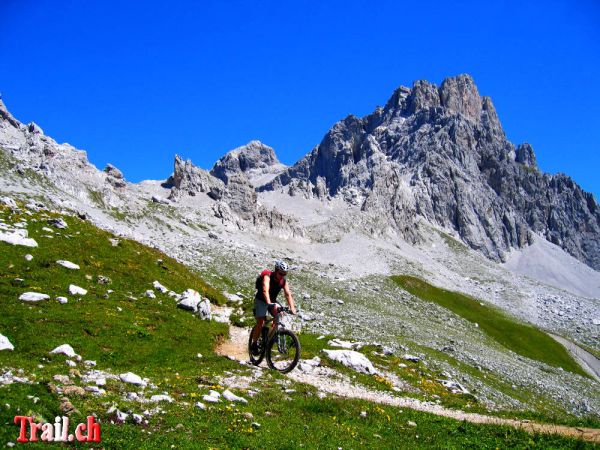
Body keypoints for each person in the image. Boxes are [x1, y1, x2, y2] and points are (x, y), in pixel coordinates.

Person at [250, 260, 297, 355]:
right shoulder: (267, 275)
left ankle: (269, 338)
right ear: (276, 270)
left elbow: (288, 294)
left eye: (284, 274)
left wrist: (292, 308)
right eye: (280, 273)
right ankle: (254, 343)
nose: (282, 276)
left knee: (279, 316)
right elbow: (265, 290)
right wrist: (268, 303)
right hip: (261, 300)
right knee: (261, 322)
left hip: (272, 301)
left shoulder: (283, 281)